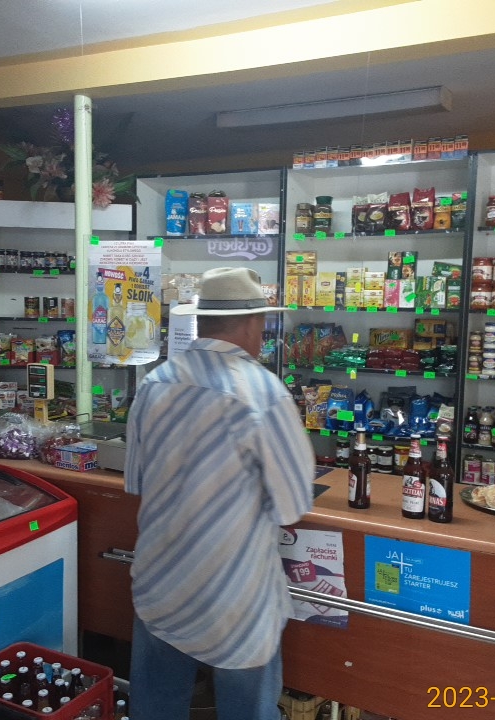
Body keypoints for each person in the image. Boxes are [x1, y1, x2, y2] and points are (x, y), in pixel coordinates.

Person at [125, 267, 315, 720]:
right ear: (252, 324)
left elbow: (136, 481)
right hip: (234, 597)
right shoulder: (263, 393)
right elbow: (291, 505)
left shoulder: (154, 383)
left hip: (160, 586)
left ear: (201, 321)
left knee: (155, 709)